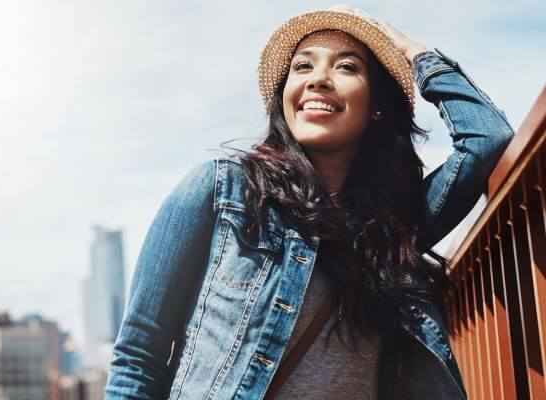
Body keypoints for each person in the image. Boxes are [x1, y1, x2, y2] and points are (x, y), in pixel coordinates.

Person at [105, 5, 515, 400]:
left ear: (376, 106)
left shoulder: (393, 229)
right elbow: (139, 355)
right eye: (303, 66)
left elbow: (486, 138)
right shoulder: (222, 190)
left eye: (346, 66)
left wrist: (413, 53)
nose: (318, 79)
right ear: (285, 98)